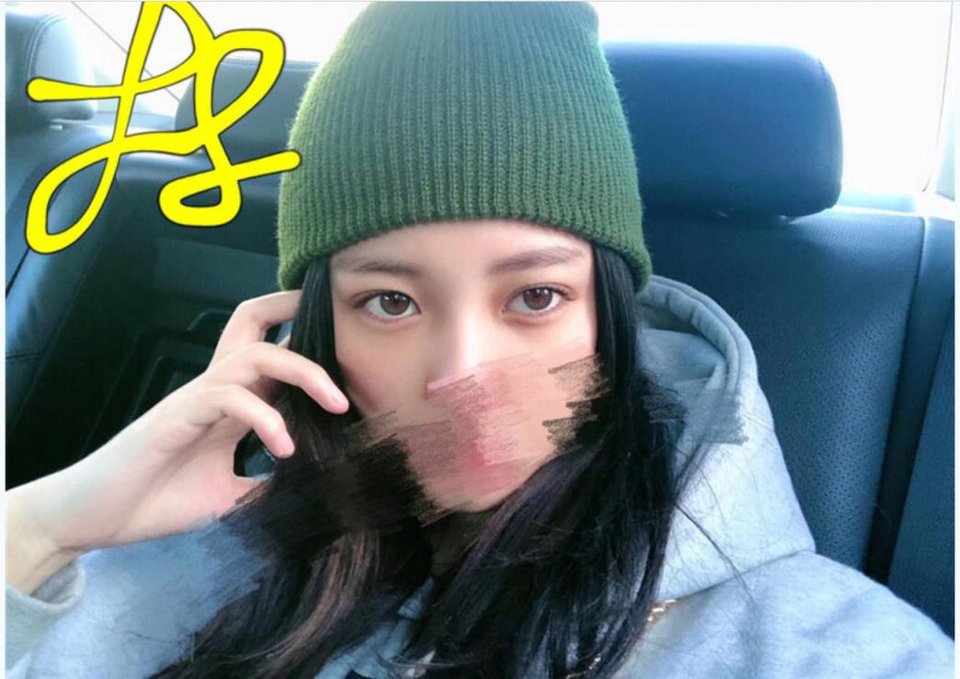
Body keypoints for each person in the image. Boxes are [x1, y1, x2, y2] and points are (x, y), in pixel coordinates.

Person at [5, 2, 954, 678]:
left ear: (611, 318)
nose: (461, 374)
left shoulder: (823, 648)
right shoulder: (169, 572)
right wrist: (44, 525)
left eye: (536, 295)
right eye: (390, 302)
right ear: (316, 330)